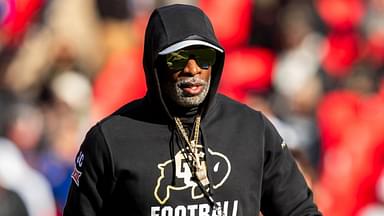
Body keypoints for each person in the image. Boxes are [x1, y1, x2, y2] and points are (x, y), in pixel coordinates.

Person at [64, 4, 322, 216]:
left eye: (203, 56)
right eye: (178, 58)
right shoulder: (110, 140)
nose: (192, 69)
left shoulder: (252, 129)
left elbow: (300, 211)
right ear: (155, 64)